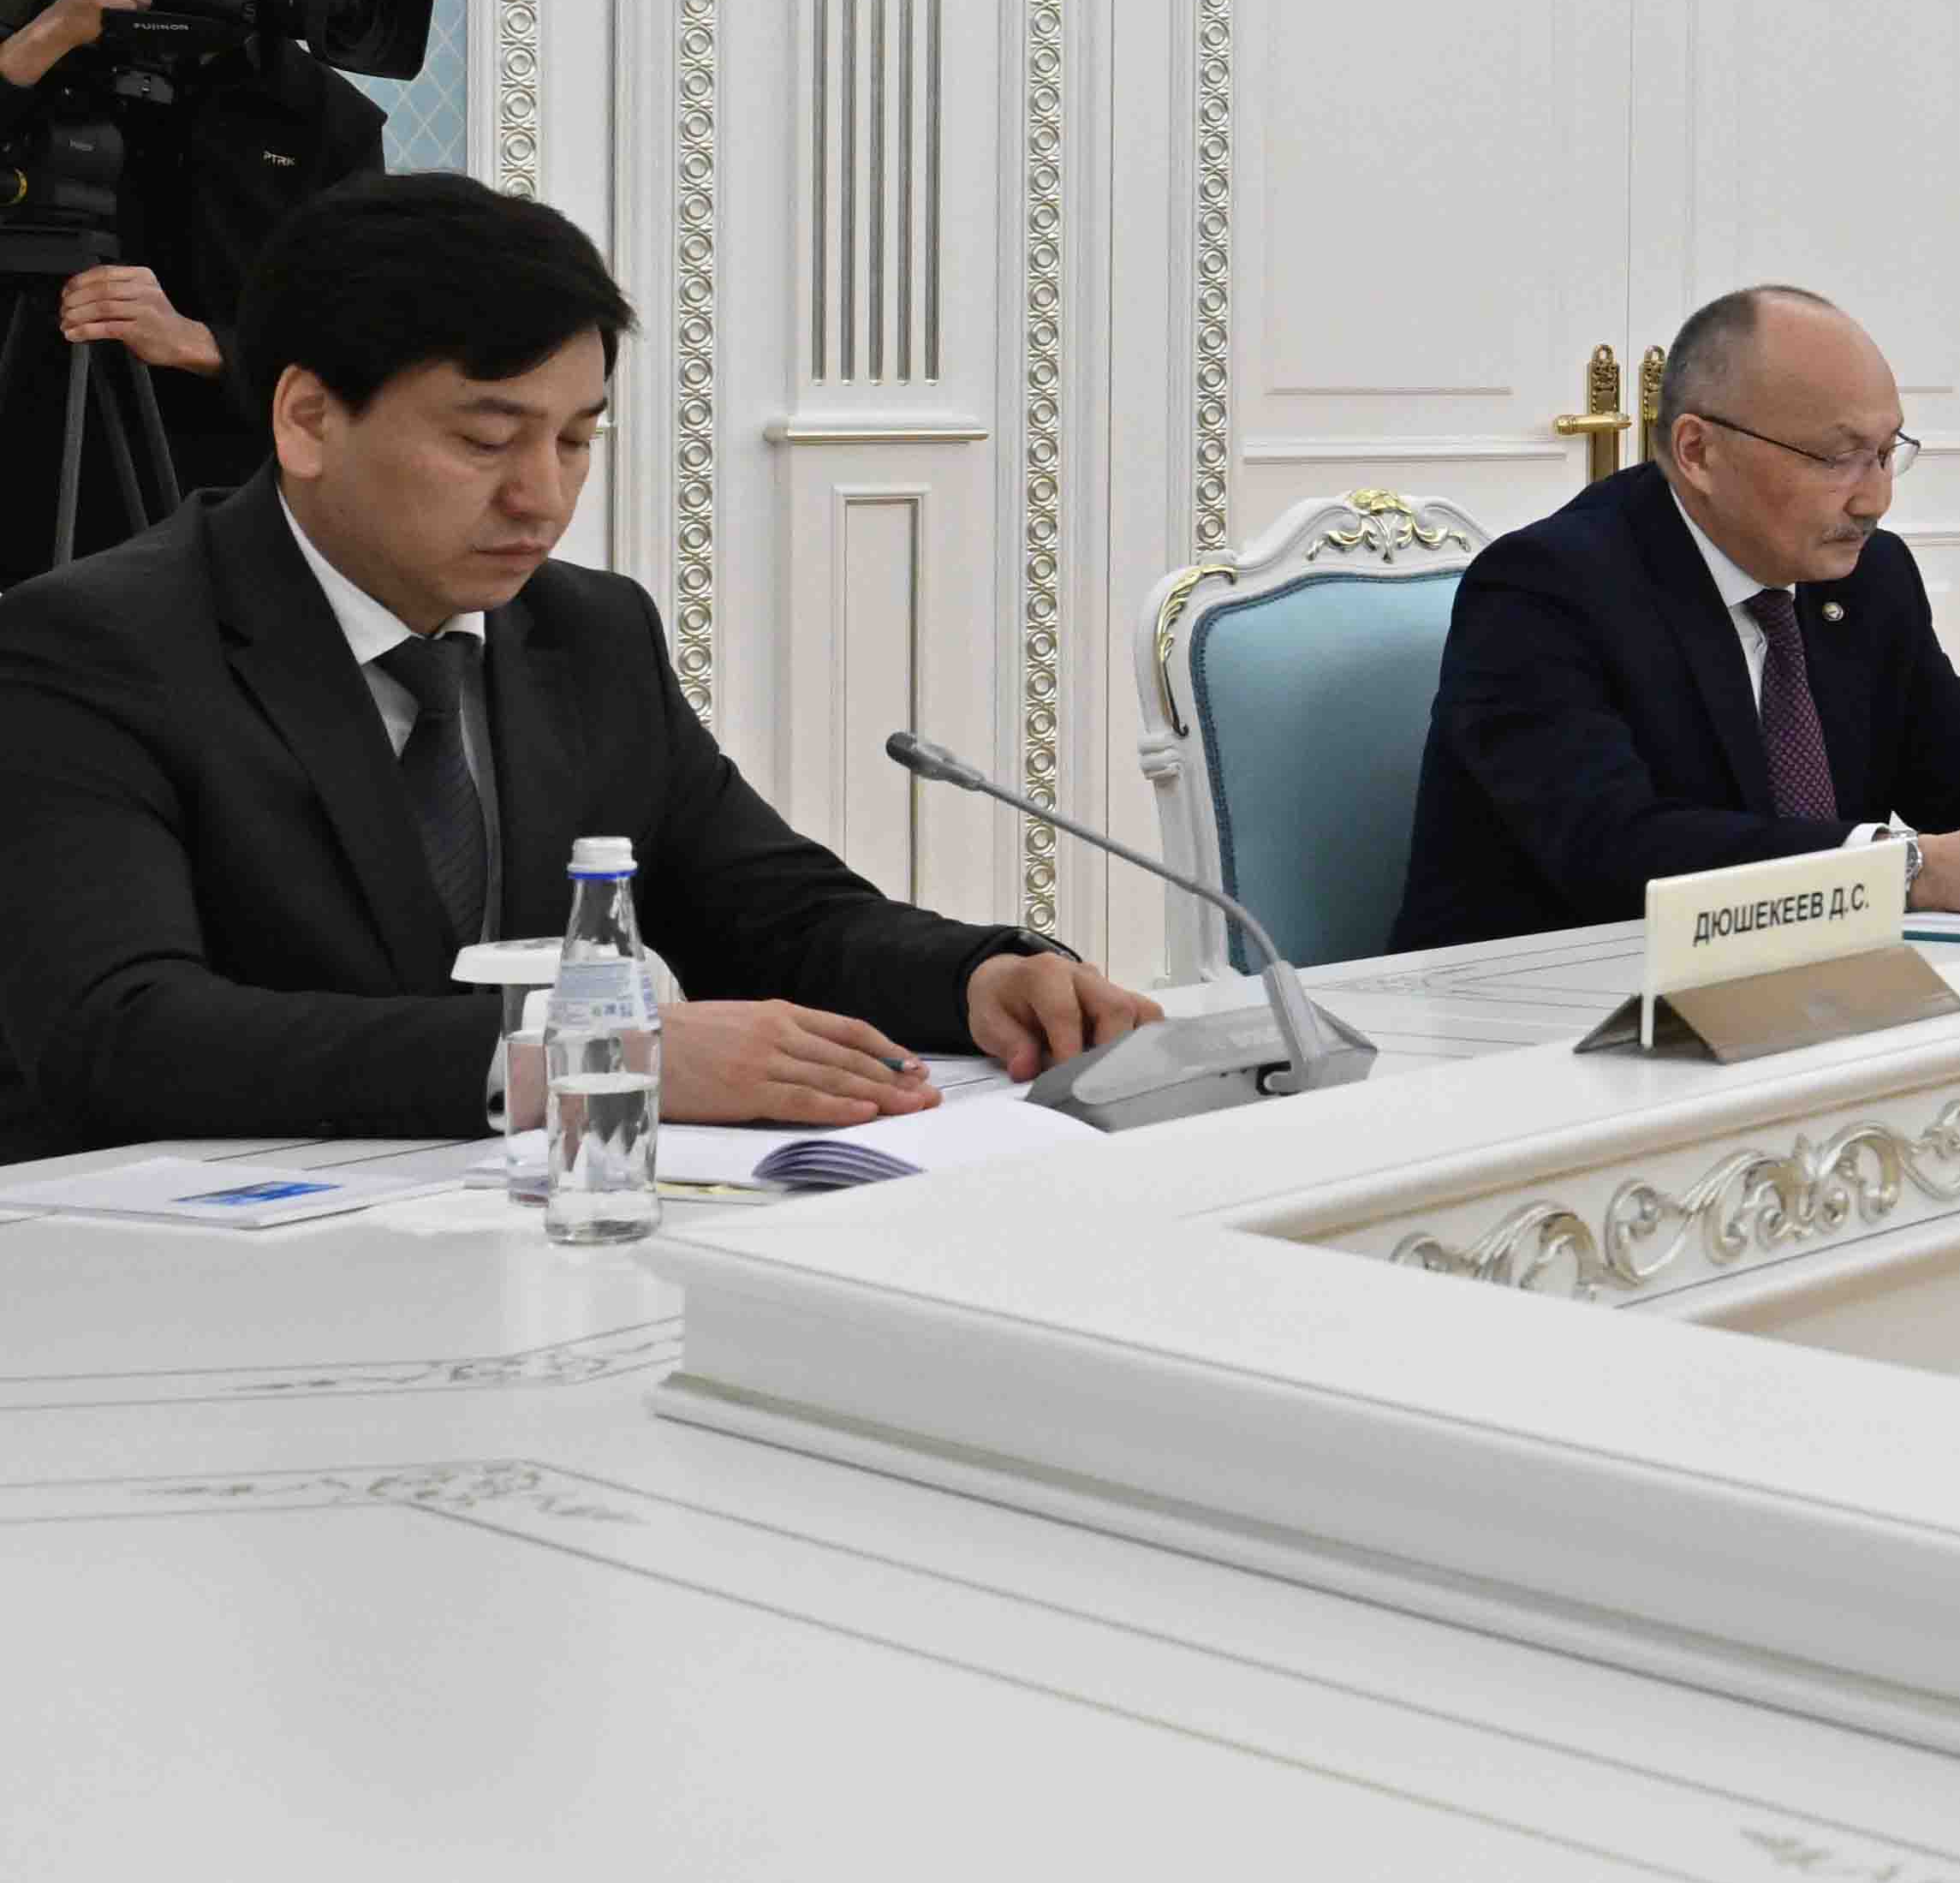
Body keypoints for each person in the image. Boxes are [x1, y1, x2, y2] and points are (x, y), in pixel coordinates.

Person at [0, 175, 1155, 1159]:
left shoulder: (589, 631)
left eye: (575, 438)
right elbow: (123, 1030)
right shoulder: (92, 647)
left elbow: (773, 916)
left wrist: (979, 977)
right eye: (485, 439)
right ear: (306, 418)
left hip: (518, 1236)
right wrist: (592, 1056)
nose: (541, 496)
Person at [1388, 284, 1960, 946]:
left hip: (1795, 985)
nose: (1874, 500)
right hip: (1543, 999)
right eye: (1838, 457)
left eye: (1885, 454)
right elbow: (1614, 848)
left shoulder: (1869, 575)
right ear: (1697, 451)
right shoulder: (1545, 589)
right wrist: (1908, 871)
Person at [2, 0, 394, 582]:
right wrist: (50, 37)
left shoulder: (327, 118)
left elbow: (361, 345)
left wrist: (203, 344)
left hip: (213, 528)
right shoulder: (33, 43)